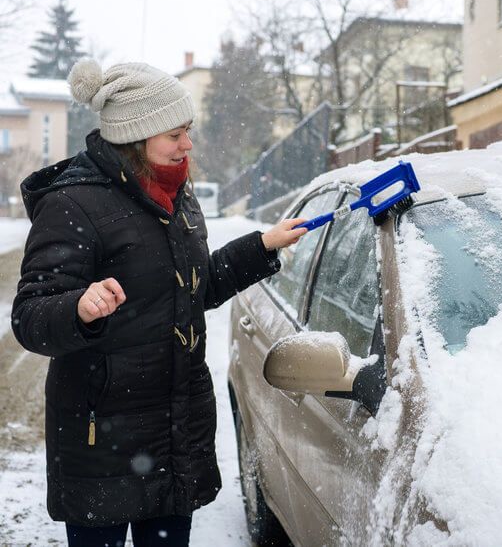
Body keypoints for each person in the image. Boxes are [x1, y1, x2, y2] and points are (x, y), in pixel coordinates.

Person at [11, 58, 307, 546]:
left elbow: (192, 290)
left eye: (187, 130)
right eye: (175, 134)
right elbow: (28, 317)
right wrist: (77, 309)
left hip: (173, 433)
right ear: (136, 135)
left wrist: (262, 246)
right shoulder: (74, 204)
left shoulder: (178, 196)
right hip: (101, 440)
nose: (187, 144)